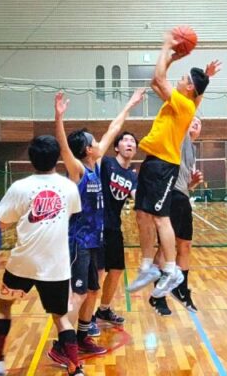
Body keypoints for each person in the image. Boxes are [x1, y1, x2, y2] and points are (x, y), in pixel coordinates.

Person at [0, 135, 84, 376]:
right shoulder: (69, 187)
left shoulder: (19, 187)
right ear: (57, 158)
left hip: (23, 265)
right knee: (61, 318)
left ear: (30, 159)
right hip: (56, 266)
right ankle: (76, 368)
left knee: (3, 306)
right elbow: (73, 213)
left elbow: (1, 224)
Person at [49, 88, 144, 360]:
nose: (100, 142)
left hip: (96, 241)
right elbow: (64, 147)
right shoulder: (78, 169)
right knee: (78, 295)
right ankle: (61, 346)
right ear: (88, 149)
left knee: (92, 290)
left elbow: (114, 128)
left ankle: (80, 337)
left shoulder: (97, 167)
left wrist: (131, 104)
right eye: (94, 141)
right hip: (80, 241)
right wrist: (59, 118)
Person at [128, 29, 220, 299]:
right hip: (152, 160)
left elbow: (158, 77)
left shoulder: (184, 104)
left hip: (164, 165)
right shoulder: (180, 100)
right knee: (142, 214)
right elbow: (156, 80)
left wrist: (167, 47)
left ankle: (171, 269)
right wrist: (172, 58)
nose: (179, 80)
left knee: (159, 217)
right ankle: (147, 265)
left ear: (189, 87)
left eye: (184, 79)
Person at [149, 117, 204, 316]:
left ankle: (181, 289)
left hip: (182, 196)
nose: (196, 122)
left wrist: (192, 184)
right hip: (169, 195)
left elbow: (183, 181)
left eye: (200, 122)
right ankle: (158, 295)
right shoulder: (181, 138)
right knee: (166, 247)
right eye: (192, 120)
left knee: (185, 245)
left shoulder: (193, 150)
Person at [94, 131, 139, 328]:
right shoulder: (107, 164)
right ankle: (85, 319)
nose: (130, 144)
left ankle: (103, 309)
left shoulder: (132, 175)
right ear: (116, 147)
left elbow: (137, 197)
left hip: (114, 227)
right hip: (97, 225)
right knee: (98, 271)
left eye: (133, 142)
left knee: (117, 270)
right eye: (125, 140)